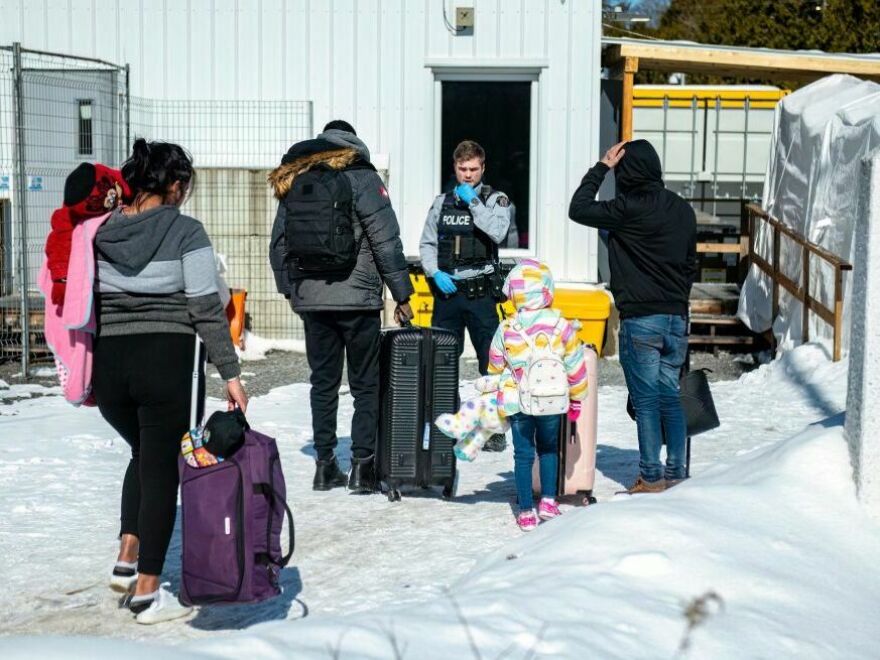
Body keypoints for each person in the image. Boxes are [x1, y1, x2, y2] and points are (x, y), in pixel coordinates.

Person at [93, 139, 248, 623]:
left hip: (110, 365)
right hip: (165, 360)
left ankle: (126, 556)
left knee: (144, 454)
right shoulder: (186, 232)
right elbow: (205, 307)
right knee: (162, 469)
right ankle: (147, 592)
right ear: (176, 186)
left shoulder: (98, 230)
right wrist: (231, 374)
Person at [269, 120, 413, 493]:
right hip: (358, 299)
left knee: (323, 383)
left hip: (313, 301)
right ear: (354, 143)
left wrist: (292, 293)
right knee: (365, 383)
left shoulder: (299, 177)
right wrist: (402, 294)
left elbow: (279, 244)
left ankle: (324, 465)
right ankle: (363, 468)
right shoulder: (364, 178)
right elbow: (386, 241)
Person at [568, 139, 697, 494]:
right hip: (676, 318)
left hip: (642, 318)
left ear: (626, 171)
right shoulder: (683, 210)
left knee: (646, 401)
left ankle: (651, 475)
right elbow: (690, 266)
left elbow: (578, 208)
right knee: (669, 395)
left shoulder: (626, 208)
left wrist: (601, 168)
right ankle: (676, 472)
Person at [419, 140, 511, 451]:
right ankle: (451, 421)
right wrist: (433, 272)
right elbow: (427, 244)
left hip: (481, 292)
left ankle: (494, 429)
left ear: (482, 168)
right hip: (448, 293)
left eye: (473, 169)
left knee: (492, 362)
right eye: (462, 169)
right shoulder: (441, 202)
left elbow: (497, 233)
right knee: (442, 360)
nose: (468, 175)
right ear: (455, 168)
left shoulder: (495, 200)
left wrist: (474, 203)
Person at [487, 259, 588, 531]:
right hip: (551, 400)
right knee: (548, 449)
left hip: (518, 401)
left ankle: (525, 510)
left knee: (522, 455)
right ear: (547, 290)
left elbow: (495, 364)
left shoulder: (508, 327)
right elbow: (575, 365)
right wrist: (577, 398)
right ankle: (547, 501)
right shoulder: (561, 325)